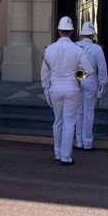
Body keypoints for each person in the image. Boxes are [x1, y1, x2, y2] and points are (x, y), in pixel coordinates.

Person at [40, 16, 83, 165]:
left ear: (58, 31)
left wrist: (46, 90)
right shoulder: (77, 49)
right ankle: (66, 156)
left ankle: (57, 152)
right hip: (71, 88)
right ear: (71, 31)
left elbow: (44, 75)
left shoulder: (49, 49)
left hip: (55, 88)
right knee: (69, 123)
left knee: (57, 121)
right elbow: (87, 70)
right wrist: (78, 78)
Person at [74, 21, 108, 151]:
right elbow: (102, 69)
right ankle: (87, 142)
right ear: (92, 34)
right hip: (91, 80)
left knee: (78, 111)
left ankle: (78, 141)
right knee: (89, 112)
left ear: (82, 34)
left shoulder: (75, 46)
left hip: (78, 78)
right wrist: (101, 87)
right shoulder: (97, 48)